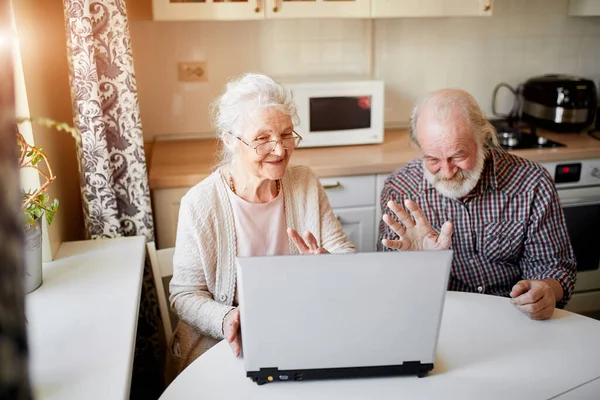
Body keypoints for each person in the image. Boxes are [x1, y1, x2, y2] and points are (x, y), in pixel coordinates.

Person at [169, 73, 452, 375]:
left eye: (287, 134)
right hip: (224, 349)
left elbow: (343, 253)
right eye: (263, 139)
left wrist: (327, 264)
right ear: (230, 140)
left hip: (302, 335)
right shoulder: (200, 204)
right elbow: (184, 295)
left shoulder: (303, 183)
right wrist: (227, 317)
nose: (280, 150)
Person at [378, 88, 577, 321]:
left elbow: (554, 266)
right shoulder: (401, 188)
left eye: (457, 156)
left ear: (484, 138)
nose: (447, 171)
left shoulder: (531, 182)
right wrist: (417, 265)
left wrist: (546, 291)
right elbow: (387, 284)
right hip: (439, 318)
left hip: (513, 316)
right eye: (432, 159)